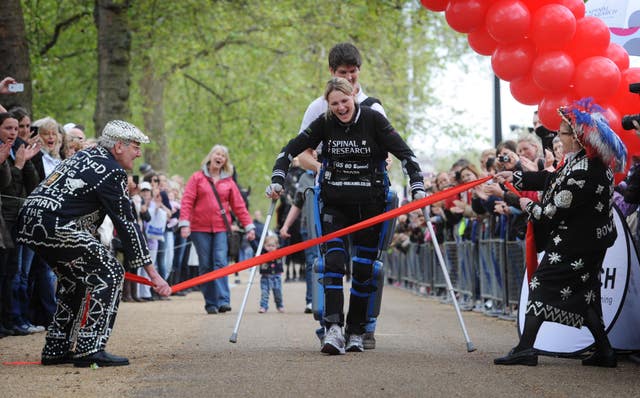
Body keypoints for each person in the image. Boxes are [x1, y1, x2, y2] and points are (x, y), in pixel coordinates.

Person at [266, 77, 425, 355]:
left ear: (354, 95)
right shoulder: (325, 122)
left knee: (364, 269)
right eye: (334, 103)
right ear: (328, 105)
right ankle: (333, 328)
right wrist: (278, 178)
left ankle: (356, 330)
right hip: (335, 204)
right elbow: (288, 150)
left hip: (369, 205)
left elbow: (406, 154)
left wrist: (417, 186)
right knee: (333, 262)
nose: (340, 108)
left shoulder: (374, 119)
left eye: (344, 101)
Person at [15, 120, 171, 367]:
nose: (139, 152)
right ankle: (90, 347)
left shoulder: (87, 156)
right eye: (136, 146)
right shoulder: (112, 170)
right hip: (55, 225)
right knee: (109, 271)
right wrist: (153, 274)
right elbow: (127, 222)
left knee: (74, 280)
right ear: (119, 146)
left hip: (32, 222)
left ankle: (57, 346)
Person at [493, 99, 626, 367]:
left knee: (542, 284)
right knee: (586, 295)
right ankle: (605, 351)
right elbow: (549, 179)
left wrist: (516, 199)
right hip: (580, 241)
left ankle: (525, 348)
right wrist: (512, 177)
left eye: (562, 133)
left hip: (578, 244)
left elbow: (549, 212)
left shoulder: (586, 172)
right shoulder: (577, 163)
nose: (557, 137)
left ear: (577, 139)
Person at [296, 42, 388, 350]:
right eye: (341, 73)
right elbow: (302, 155)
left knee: (369, 263)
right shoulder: (318, 107)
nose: (348, 78)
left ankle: (364, 326)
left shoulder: (373, 107)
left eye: (352, 72)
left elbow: (387, 154)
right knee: (329, 260)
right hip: (330, 193)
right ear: (331, 73)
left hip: (367, 197)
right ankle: (329, 323)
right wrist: (328, 167)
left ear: (359, 71)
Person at [179, 144, 256, 315]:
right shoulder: (197, 178)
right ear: (210, 156)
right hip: (199, 229)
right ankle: (211, 303)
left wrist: (249, 226)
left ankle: (223, 301)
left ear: (225, 162)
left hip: (221, 228)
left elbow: (239, 206)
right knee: (206, 265)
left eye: (223, 155)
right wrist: (184, 222)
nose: (219, 156)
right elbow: (187, 201)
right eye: (217, 153)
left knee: (220, 262)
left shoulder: (228, 181)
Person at [258, 235, 285, 313]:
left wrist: (285, 238)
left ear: (277, 246)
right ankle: (263, 306)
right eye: (268, 245)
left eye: (273, 246)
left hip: (276, 276)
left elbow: (285, 246)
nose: (270, 247)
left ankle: (279, 305)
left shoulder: (279, 253)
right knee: (264, 293)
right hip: (265, 277)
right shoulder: (263, 253)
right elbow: (256, 248)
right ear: (264, 246)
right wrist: (251, 241)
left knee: (278, 293)